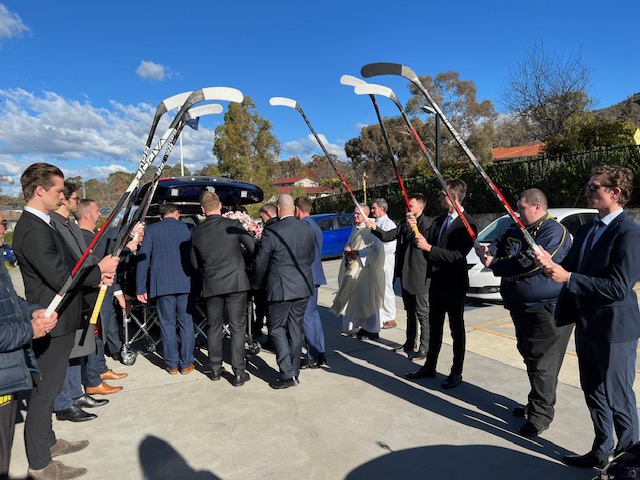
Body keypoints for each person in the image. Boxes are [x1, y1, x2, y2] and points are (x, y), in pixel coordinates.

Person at [12, 162, 119, 479]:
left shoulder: (44, 224)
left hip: (61, 318)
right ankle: (40, 464)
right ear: (40, 190)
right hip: (50, 320)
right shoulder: (31, 229)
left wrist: (97, 269)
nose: (63, 195)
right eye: (58, 190)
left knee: (50, 387)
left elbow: (72, 263)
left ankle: (48, 443)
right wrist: (98, 272)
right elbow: (61, 276)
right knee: (44, 393)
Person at [535, 164, 640, 469]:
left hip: (614, 328)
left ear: (615, 192)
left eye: (595, 186)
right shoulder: (587, 228)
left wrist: (569, 278)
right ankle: (602, 449)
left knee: (618, 396)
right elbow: (570, 265)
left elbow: (619, 287)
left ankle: (629, 462)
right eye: (589, 185)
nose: (588, 190)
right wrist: (547, 262)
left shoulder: (629, 234)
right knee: (593, 389)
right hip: (586, 323)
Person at [475, 188, 572, 437]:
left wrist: (495, 265)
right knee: (530, 356)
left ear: (537, 207)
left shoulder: (554, 231)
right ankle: (535, 403)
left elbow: (533, 265)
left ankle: (540, 416)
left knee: (543, 363)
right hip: (521, 308)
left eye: (522, 208)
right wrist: (488, 252)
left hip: (546, 309)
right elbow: (500, 244)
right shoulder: (518, 228)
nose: (518, 212)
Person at [0, 217, 58, 480]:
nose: (4, 229)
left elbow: (11, 301)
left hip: (8, 376)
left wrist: (35, 311)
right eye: (0, 223)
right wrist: (28, 331)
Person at [406, 179, 478, 389]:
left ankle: (456, 372)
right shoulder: (438, 221)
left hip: (454, 283)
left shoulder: (468, 223)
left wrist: (429, 248)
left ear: (453, 198)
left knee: (457, 329)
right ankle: (430, 366)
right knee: (435, 326)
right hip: (436, 282)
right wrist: (414, 228)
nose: (439, 198)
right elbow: (422, 242)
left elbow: (456, 255)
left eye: (442, 194)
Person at [191, 192, 255, 386]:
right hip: (236, 282)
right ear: (220, 206)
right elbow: (253, 247)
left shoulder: (196, 232)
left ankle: (216, 369)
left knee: (214, 327)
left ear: (202, 209)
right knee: (237, 328)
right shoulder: (233, 225)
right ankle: (238, 372)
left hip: (211, 283)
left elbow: (194, 264)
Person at [252, 194, 315, 389]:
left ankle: (287, 373)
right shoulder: (307, 229)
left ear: (278, 209)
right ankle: (293, 369)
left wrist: (256, 282)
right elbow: (310, 256)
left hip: (279, 288)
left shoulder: (272, 231)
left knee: (277, 328)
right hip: (302, 287)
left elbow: (261, 262)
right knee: (295, 327)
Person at [76, 199, 130, 390]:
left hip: (102, 291)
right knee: (96, 333)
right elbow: (103, 264)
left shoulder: (93, 237)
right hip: (95, 294)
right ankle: (94, 376)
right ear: (87, 214)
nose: (100, 214)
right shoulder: (85, 238)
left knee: (101, 332)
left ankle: (100, 367)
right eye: (97, 211)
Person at [369, 193, 430, 359]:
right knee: (410, 311)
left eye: (411, 205)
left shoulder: (425, 224)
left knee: (422, 313)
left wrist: (414, 227)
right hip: (405, 274)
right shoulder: (404, 223)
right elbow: (389, 236)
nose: (407, 208)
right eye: (407, 205)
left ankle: (425, 347)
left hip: (419, 275)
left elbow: (423, 243)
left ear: (420, 207)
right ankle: (410, 342)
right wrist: (374, 228)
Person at [136, 204, 195, 375]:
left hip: (161, 284)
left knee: (167, 324)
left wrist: (141, 287)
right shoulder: (188, 228)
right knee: (186, 323)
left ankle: (172, 364)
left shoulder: (152, 230)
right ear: (177, 214)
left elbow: (143, 259)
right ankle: (186, 363)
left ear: (161, 217)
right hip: (186, 283)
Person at [331, 204, 385, 340]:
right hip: (353, 269)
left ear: (366, 214)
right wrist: (348, 249)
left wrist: (359, 253)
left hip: (365, 271)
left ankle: (372, 329)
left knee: (368, 299)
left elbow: (377, 251)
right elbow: (350, 243)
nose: (355, 216)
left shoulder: (371, 229)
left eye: (358, 214)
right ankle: (358, 327)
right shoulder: (356, 228)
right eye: (354, 213)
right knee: (355, 300)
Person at [294, 196, 328, 368]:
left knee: (307, 316)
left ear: (297, 209)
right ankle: (319, 351)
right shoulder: (314, 225)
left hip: (307, 276)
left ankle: (313, 355)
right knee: (313, 315)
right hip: (315, 275)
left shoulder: (304, 226)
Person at [253, 203, 278, 348]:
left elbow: (262, 258)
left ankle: (272, 340)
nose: (262, 221)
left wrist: (257, 280)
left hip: (268, 277)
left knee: (269, 311)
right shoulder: (281, 223)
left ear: (267, 212)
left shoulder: (270, 228)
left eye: (262, 217)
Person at [371, 198, 397, 329]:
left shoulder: (389, 224)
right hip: (374, 260)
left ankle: (390, 317)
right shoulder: (374, 222)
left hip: (386, 261)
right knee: (377, 289)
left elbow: (390, 246)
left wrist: (375, 251)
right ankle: (380, 316)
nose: (372, 210)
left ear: (382, 209)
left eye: (374, 208)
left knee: (386, 288)